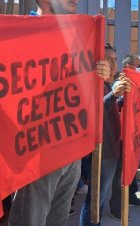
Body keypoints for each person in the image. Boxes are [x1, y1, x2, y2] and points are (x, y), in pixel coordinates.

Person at [8, 1, 113, 226]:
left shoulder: (75, 37)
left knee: (59, 220)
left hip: (71, 153)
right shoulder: (20, 33)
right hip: (37, 153)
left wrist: (99, 73)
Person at [79, 44, 131, 226]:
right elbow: (91, 114)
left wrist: (120, 99)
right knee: (94, 200)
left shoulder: (108, 85)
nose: (113, 63)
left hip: (110, 150)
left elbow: (108, 111)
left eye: (115, 59)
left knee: (99, 199)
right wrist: (114, 95)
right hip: (100, 152)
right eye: (108, 59)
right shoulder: (94, 84)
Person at [108, 53, 140, 221]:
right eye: (138, 65)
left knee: (133, 167)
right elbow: (114, 107)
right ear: (129, 67)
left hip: (134, 134)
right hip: (122, 137)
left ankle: (131, 195)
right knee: (119, 173)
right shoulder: (120, 84)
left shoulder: (136, 84)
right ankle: (116, 206)